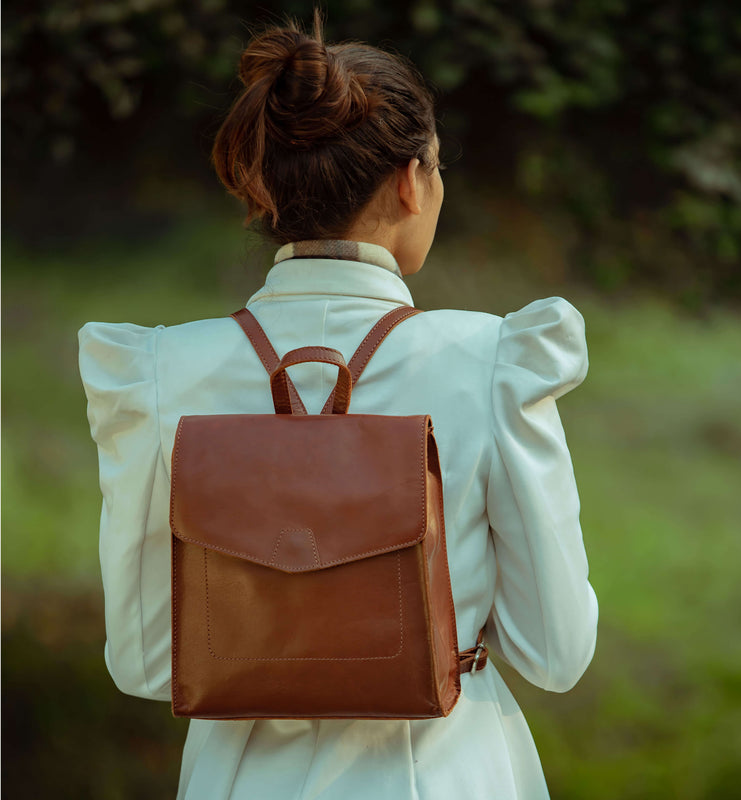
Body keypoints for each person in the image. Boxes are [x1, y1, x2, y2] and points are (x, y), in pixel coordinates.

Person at [78, 14, 598, 800]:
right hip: (445, 774)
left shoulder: (153, 372)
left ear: (266, 186)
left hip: (237, 779)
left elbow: (147, 663)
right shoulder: (497, 361)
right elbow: (555, 654)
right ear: (409, 181)